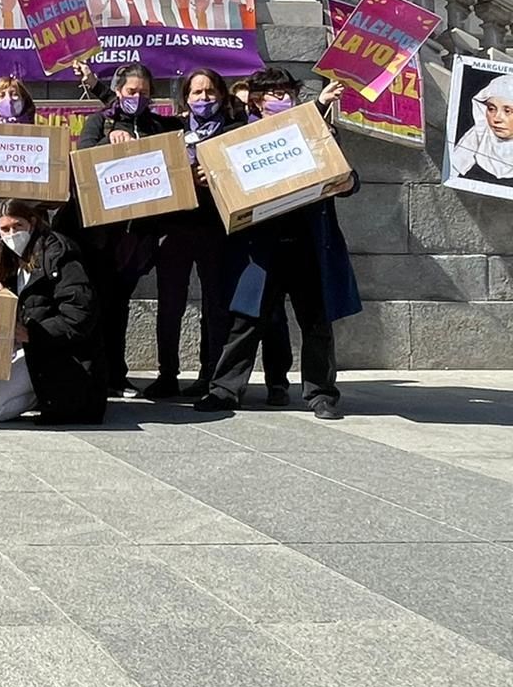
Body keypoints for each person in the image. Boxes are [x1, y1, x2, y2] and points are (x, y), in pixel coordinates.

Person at [198, 68, 361, 420]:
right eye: (275, 93)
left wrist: (347, 182)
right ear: (257, 100)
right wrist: (210, 179)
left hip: (308, 244)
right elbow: (221, 185)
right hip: (260, 250)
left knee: (316, 323)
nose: (283, 98)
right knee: (246, 322)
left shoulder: (316, 130)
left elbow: (347, 177)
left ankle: (321, 394)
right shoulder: (235, 138)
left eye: (288, 92)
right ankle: (224, 390)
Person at [67, 61, 183, 396]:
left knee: (120, 305)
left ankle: (116, 375)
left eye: (144, 92)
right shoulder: (99, 122)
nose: (138, 97)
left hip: (138, 237)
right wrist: (109, 141)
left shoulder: (159, 126)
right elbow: (82, 159)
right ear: (119, 91)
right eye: (132, 91)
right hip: (100, 235)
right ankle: (94, 373)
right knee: (96, 304)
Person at [144, 67, 243, 398]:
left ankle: (209, 374)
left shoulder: (235, 131)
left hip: (217, 229)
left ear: (221, 95)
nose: (204, 98)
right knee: (170, 304)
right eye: (196, 92)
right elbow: (129, 115)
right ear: (185, 98)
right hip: (174, 229)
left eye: (210, 91)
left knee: (216, 304)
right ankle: (167, 375)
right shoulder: (171, 130)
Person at [0, 200, 106, 424]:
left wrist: (31, 334)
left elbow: (80, 313)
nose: (12, 234)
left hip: (59, 353)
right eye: (5, 229)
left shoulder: (58, 253)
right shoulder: (12, 256)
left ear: (32, 223)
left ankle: (43, 395)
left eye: (18, 226)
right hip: (33, 348)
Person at [449, 71, 513, 185]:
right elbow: (452, 171)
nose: (496, 118)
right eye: (491, 109)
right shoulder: (479, 135)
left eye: (507, 111)